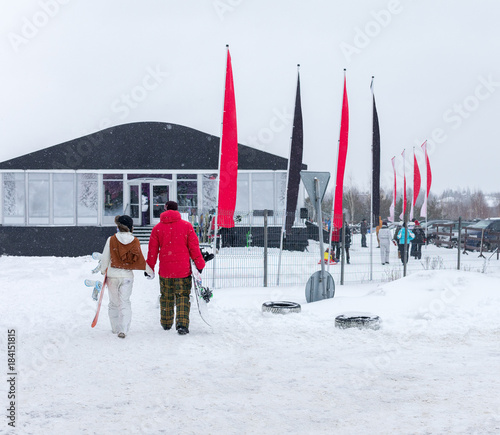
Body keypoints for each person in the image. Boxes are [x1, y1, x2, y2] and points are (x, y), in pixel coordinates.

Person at [146, 201, 205, 335]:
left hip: (165, 270)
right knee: (183, 295)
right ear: (177, 210)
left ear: (165, 209)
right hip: (183, 270)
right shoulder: (187, 226)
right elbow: (194, 247)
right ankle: (182, 325)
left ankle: (166, 323)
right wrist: (199, 264)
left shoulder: (157, 228)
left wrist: (149, 268)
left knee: (166, 296)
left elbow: (152, 251)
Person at [99, 215, 151, 339]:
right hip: (127, 276)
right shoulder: (135, 240)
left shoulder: (111, 239)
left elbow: (105, 257)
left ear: (118, 226)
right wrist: (149, 270)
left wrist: (102, 270)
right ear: (130, 227)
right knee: (125, 303)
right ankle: (123, 329)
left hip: (112, 275)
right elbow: (139, 258)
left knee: (113, 303)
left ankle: (115, 328)